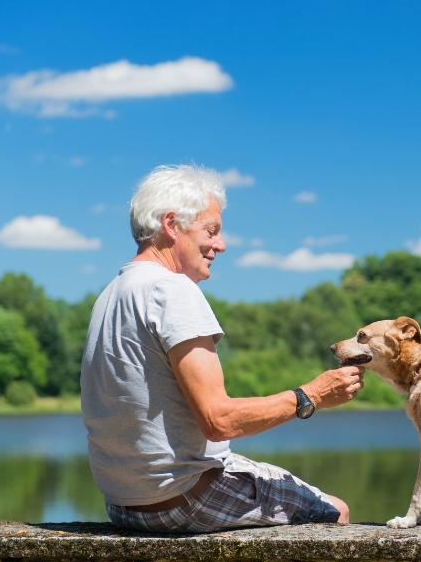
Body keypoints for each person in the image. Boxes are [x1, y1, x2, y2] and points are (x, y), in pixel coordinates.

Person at [81, 164, 364, 533]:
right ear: (172, 225)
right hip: (182, 500)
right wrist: (311, 395)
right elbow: (219, 421)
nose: (221, 244)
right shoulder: (173, 290)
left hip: (123, 505)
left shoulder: (111, 293)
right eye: (211, 231)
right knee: (335, 512)